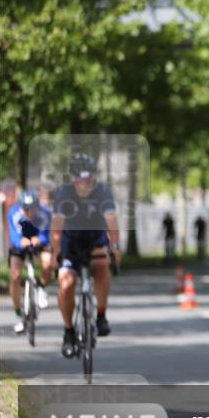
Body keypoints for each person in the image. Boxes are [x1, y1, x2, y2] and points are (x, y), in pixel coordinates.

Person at [51, 153, 122, 358]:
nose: (85, 184)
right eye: (81, 180)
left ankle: (101, 315)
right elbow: (56, 227)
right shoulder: (64, 193)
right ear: (73, 179)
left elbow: (111, 220)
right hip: (70, 241)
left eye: (89, 179)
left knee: (102, 265)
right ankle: (68, 332)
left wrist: (114, 246)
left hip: (95, 239)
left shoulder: (102, 192)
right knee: (65, 283)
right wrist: (56, 250)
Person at [7, 190, 54, 334]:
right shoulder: (13, 214)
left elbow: (46, 234)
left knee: (48, 263)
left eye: (31, 209)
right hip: (20, 245)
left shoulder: (45, 213)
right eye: (25, 209)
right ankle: (17, 314)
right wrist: (21, 241)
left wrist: (39, 239)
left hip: (38, 242)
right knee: (15, 276)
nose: (28, 212)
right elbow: (14, 235)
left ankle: (41, 288)